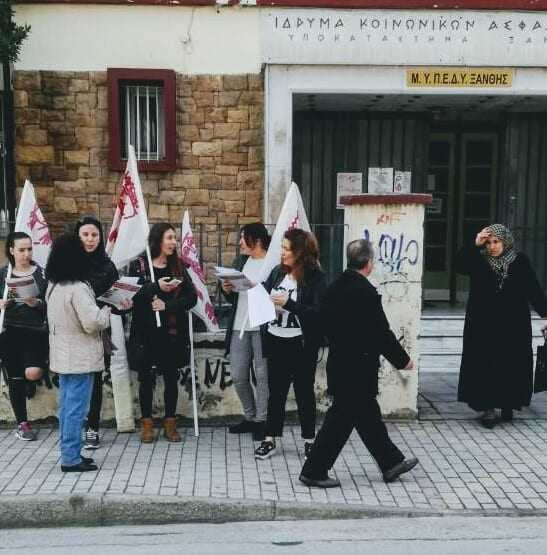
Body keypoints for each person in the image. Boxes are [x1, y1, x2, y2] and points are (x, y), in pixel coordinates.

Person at [300, 239, 418, 488]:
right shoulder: (366, 292)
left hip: (340, 364)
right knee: (340, 422)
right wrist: (403, 360)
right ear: (369, 263)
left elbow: (320, 320)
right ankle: (314, 470)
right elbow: (381, 334)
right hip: (359, 367)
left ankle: (391, 463)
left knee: (367, 418)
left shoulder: (334, 287)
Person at [457, 224, 547, 428]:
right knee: (485, 363)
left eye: (496, 242)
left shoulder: (519, 261)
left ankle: (508, 403)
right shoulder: (478, 259)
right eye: (488, 243)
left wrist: (545, 313)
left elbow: (533, 288)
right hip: (483, 323)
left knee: (510, 362)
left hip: (512, 323)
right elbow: (460, 265)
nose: (492, 246)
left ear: (505, 242)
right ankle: (488, 409)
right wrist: (475, 243)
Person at [254, 229, 326, 461]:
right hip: (276, 340)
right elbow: (262, 297)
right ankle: (270, 439)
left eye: (287, 249)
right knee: (276, 393)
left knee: (304, 392)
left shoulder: (316, 277)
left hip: (301, 344)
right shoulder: (277, 273)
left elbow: (318, 314)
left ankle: (309, 441)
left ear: (301, 252)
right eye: (282, 248)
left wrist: (290, 304)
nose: (282, 253)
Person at [46, 234, 112, 472]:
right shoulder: (78, 288)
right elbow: (92, 323)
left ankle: (69, 451)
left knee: (66, 408)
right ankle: (71, 458)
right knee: (76, 410)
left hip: (63, 356)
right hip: (81, 358)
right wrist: (106, 311)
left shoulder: (53, 285)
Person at [129, 222, 197, 444]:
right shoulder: (140, 264)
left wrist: (167, 306)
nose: (173, 242)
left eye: (174, 238)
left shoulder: (178, 266)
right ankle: (146, 423)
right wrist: (155, 287)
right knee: (145, 378)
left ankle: (170, 422)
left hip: (170, 331)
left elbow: (191, 298)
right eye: (169, 238)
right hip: (145, 332)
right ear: (158, 240)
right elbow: (133, 295)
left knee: (170, 377)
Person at [221, 223, 270, 441]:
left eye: (243, 238)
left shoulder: (272, 263)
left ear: (257, 241)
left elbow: (275, 295)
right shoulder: (241, 262)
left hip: (262, 327)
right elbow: (235, 298)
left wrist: (256, 288)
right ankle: (249, 417)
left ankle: (261, 421)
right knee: (238, 375)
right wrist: (227, 290)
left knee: (262, 376)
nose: (240, 242)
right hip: (240, 325)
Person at [75, 216, 120, 450]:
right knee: (75, 380)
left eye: (94, 235)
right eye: (85, 234)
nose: (90, 239)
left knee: (95, 381)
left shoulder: (107, 265)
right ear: (77, 237)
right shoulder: (69, 263)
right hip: (73, 331)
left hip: (99, 330)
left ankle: (92, 427)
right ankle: (73, 427)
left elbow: (117, 298)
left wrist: (123, 302)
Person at [0, 232, 48, 441]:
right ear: (11, 250)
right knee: (15, 377)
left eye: (29, 248)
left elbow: (50, 302)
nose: (26, 253)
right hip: (10, 330)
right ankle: (22, 423)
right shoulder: (3, 274)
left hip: (34, 330)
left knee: (33, 373)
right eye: (21, 249)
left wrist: (36, 303)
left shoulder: (41, 274)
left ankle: (32, 379)